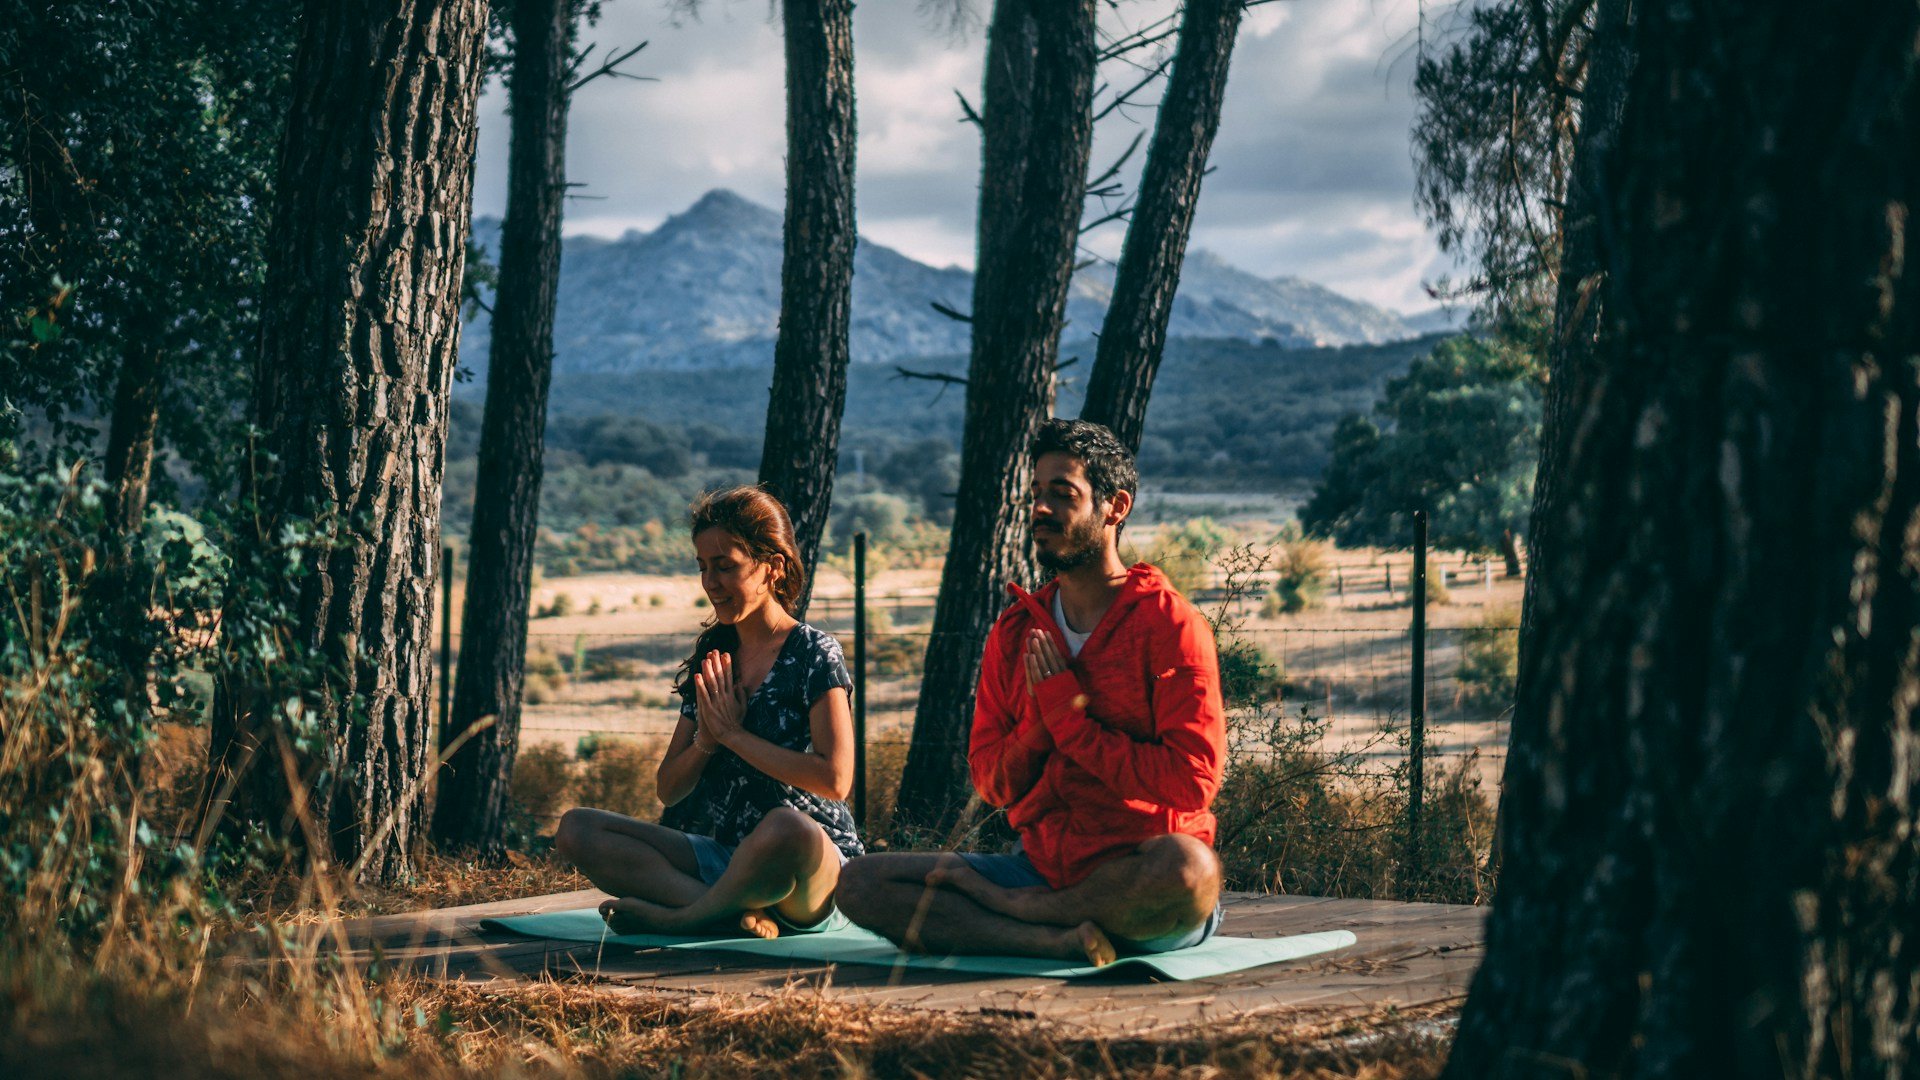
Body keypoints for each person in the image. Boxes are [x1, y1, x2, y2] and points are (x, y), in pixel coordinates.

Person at [837, 419, 1227, 965]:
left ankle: (1022, 915)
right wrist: (1038, 730)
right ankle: (1046, 936)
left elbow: (1193, 783)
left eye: (1063, 494)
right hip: (1037, 871)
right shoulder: (1017, 630)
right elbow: (991, 783)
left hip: (1138, 874)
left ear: (1115, 507)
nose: (1041, 509)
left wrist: (1073, 726)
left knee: (1191, 871)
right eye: (1036, 494)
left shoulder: (1170, 625)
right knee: (858, 883)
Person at [554, 486, 861, 939]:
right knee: (576, 828)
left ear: (772, 567)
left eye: (725, 566)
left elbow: (835, 780)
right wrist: (707, 741)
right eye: (703, 567)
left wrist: (736, 736)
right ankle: (731, 912)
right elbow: (669, 789)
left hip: (806, 866)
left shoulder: (815, 652)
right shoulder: (715, 657)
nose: (711, 582)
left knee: (784, 826)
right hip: (726, 858)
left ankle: (684, 917)